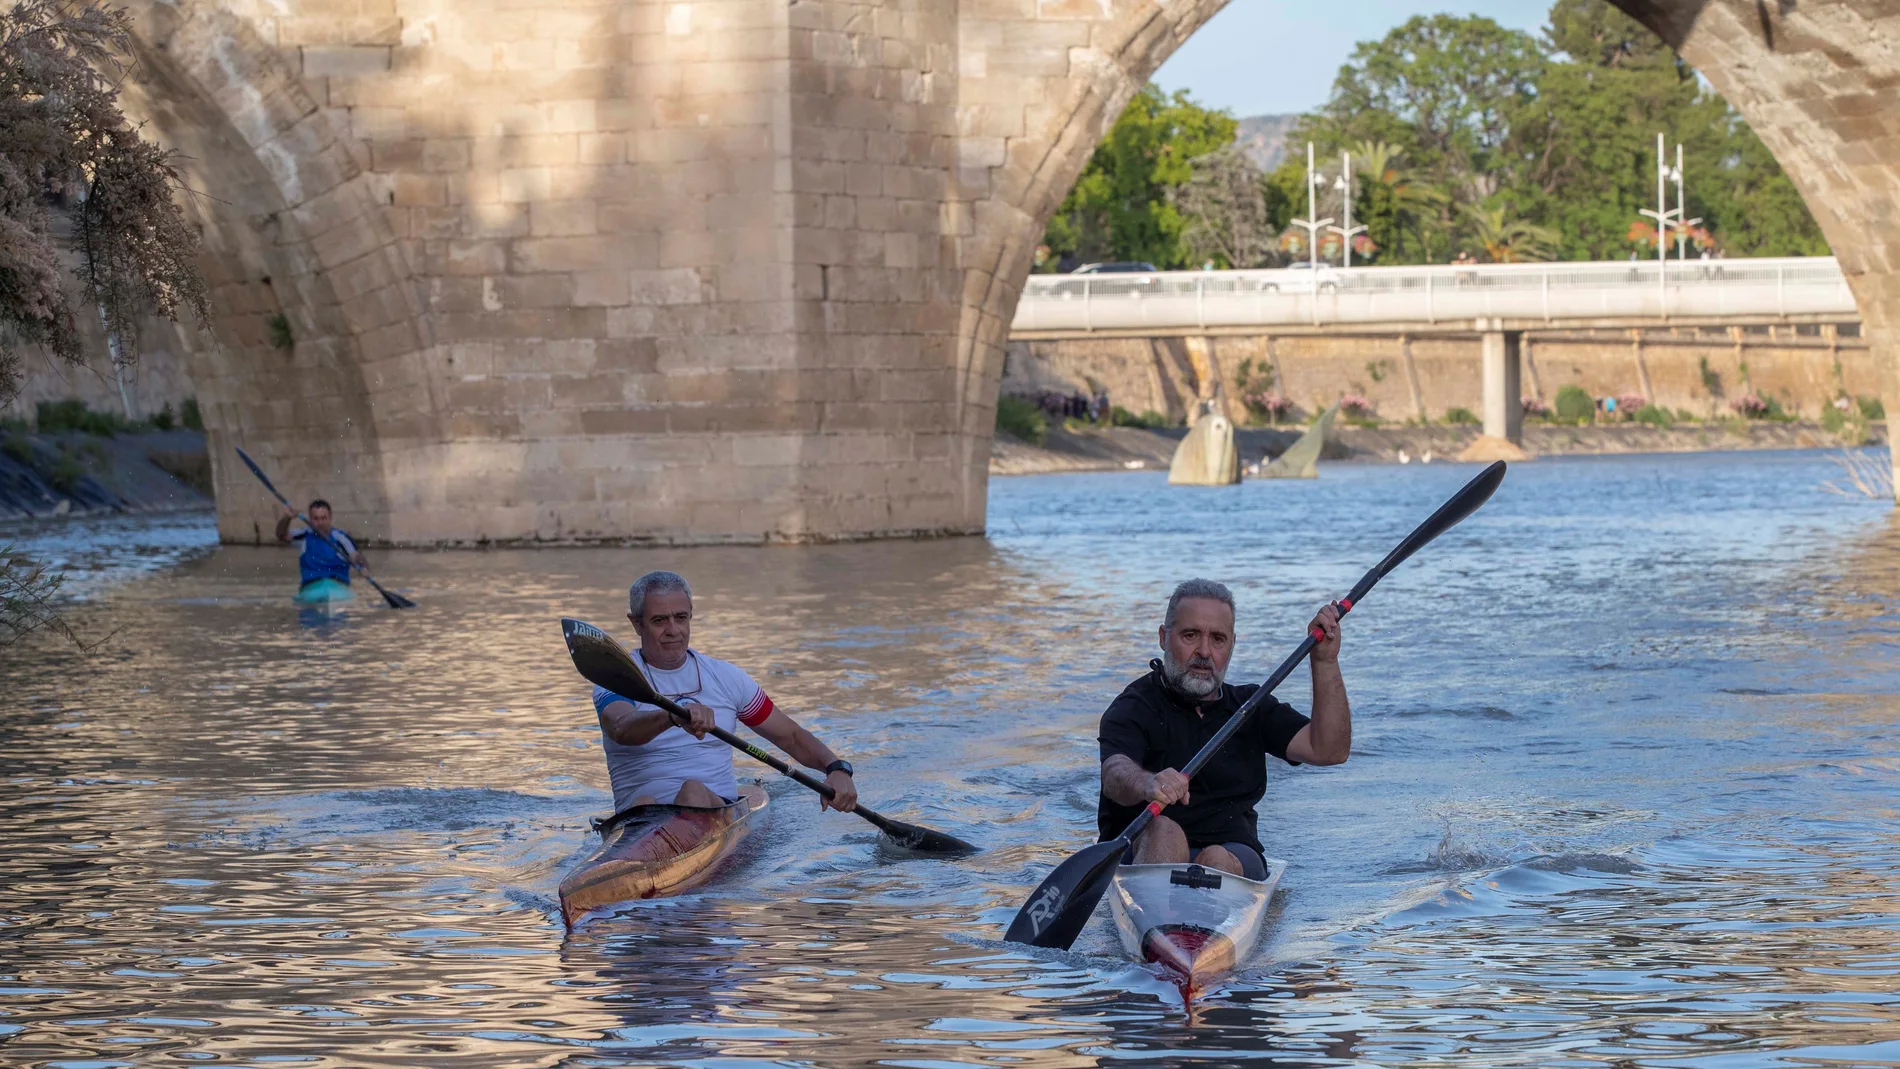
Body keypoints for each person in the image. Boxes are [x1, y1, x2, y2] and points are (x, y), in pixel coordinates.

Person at [1096, 578, 1350, 878]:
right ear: (1164, 637)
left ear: (1231, 644)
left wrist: (1324, 660)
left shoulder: (1251, 706)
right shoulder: (1134, 705)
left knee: (1216, 858)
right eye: (1190, 635)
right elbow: (1114, 773)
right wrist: (1148, 783)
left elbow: (1329, 750)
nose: (1204, 651)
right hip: (1143, 849)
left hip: (1232, 852)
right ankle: (1163, 919)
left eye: (1217, 639)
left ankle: (1199, 914)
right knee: (1165, 830)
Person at [594, 570, 860, 815]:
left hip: (711, 811)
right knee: (644, 802)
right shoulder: (617, 678)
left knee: (692, 791)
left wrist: (835, 767)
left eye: (681, 617)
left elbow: (789, 736)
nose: (673, 630)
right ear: (637, 624)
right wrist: (672, 717)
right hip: (637, 822)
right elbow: (621, 728)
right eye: (660, 620)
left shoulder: (724, 677)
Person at [275, 499, 367, 589]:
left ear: (330, 518)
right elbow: (281, 536)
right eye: (316, 519)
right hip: (311, 586)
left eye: (324, 518)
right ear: (310, 520)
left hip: (338, 585)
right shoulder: (304, 535)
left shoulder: (342, 537)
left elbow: (355, 556)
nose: (320, 523)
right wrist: (287, 517)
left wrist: (363, 567)